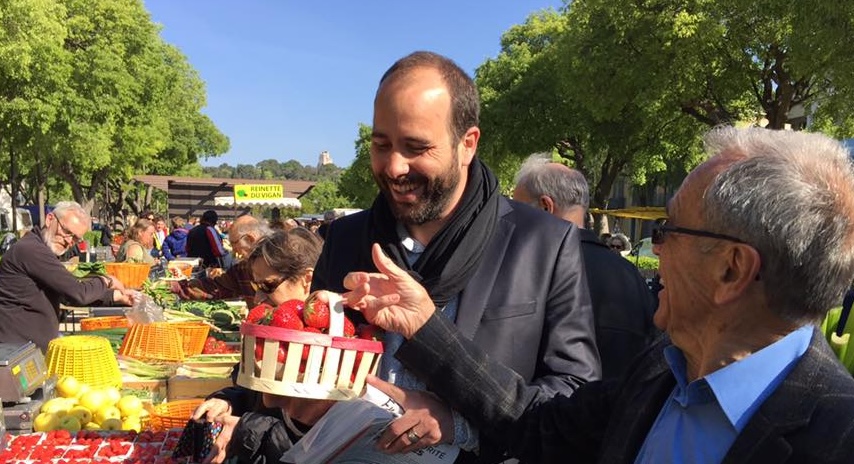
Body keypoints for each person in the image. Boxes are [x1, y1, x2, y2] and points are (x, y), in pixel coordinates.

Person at [346, 126, 854, 463]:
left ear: (732, 270)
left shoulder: (836, 438)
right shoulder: (661, 370)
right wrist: (424, 327)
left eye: (670, 231)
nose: (657, 254)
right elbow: (535, 422)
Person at [311, 51, 599, 461]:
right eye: (382, 144)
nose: (394, 167)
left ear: (467, 144)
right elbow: (304, 360)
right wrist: (254, 403)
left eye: (416, 147)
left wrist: (458, 423)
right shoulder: (344, 237)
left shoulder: (544, 243)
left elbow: (574, 398)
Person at [512, 154, 657, 381]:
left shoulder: (526, 275)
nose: (511, 224)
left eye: (517, 212)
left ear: (545, 207)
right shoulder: (631, 277)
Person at [190, 228, 326, 463]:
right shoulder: (279, 338)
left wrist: (243, 429)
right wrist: (230, 401)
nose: (259, 299)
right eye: (256, 288)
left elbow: (312, 444)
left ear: (307, 279)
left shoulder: (334, 353)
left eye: (269, 286)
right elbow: (261, 400)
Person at [0, 201, 133, 352]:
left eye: (76, 238)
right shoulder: (30, 250)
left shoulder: (42, 249)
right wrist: (107, 280)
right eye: (66, 232)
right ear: (50, 219)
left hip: (30, 349)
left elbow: (66, 295)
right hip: (17, 351)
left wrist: (117, 297)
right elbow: (78, 293)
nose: (69, 241)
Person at [172, 214, 271, 302]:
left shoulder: (279, 263)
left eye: (234, 244)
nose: (234, 252)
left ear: (250, 239)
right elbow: (216, 286)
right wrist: (180, 286)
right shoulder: (242, 269)